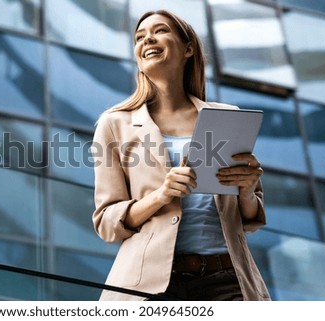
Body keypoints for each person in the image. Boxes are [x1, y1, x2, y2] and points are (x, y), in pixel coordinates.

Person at [91, 10, 270, 301]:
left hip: (227, 280)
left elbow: (250, 219)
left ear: (188, 48)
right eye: (139, 36)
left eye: (160, 30)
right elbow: (107, 223)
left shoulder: (227, 118)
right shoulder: (115, 124)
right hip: (148, 284)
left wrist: (248, 190)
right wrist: (161, 195)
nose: (147, 38)